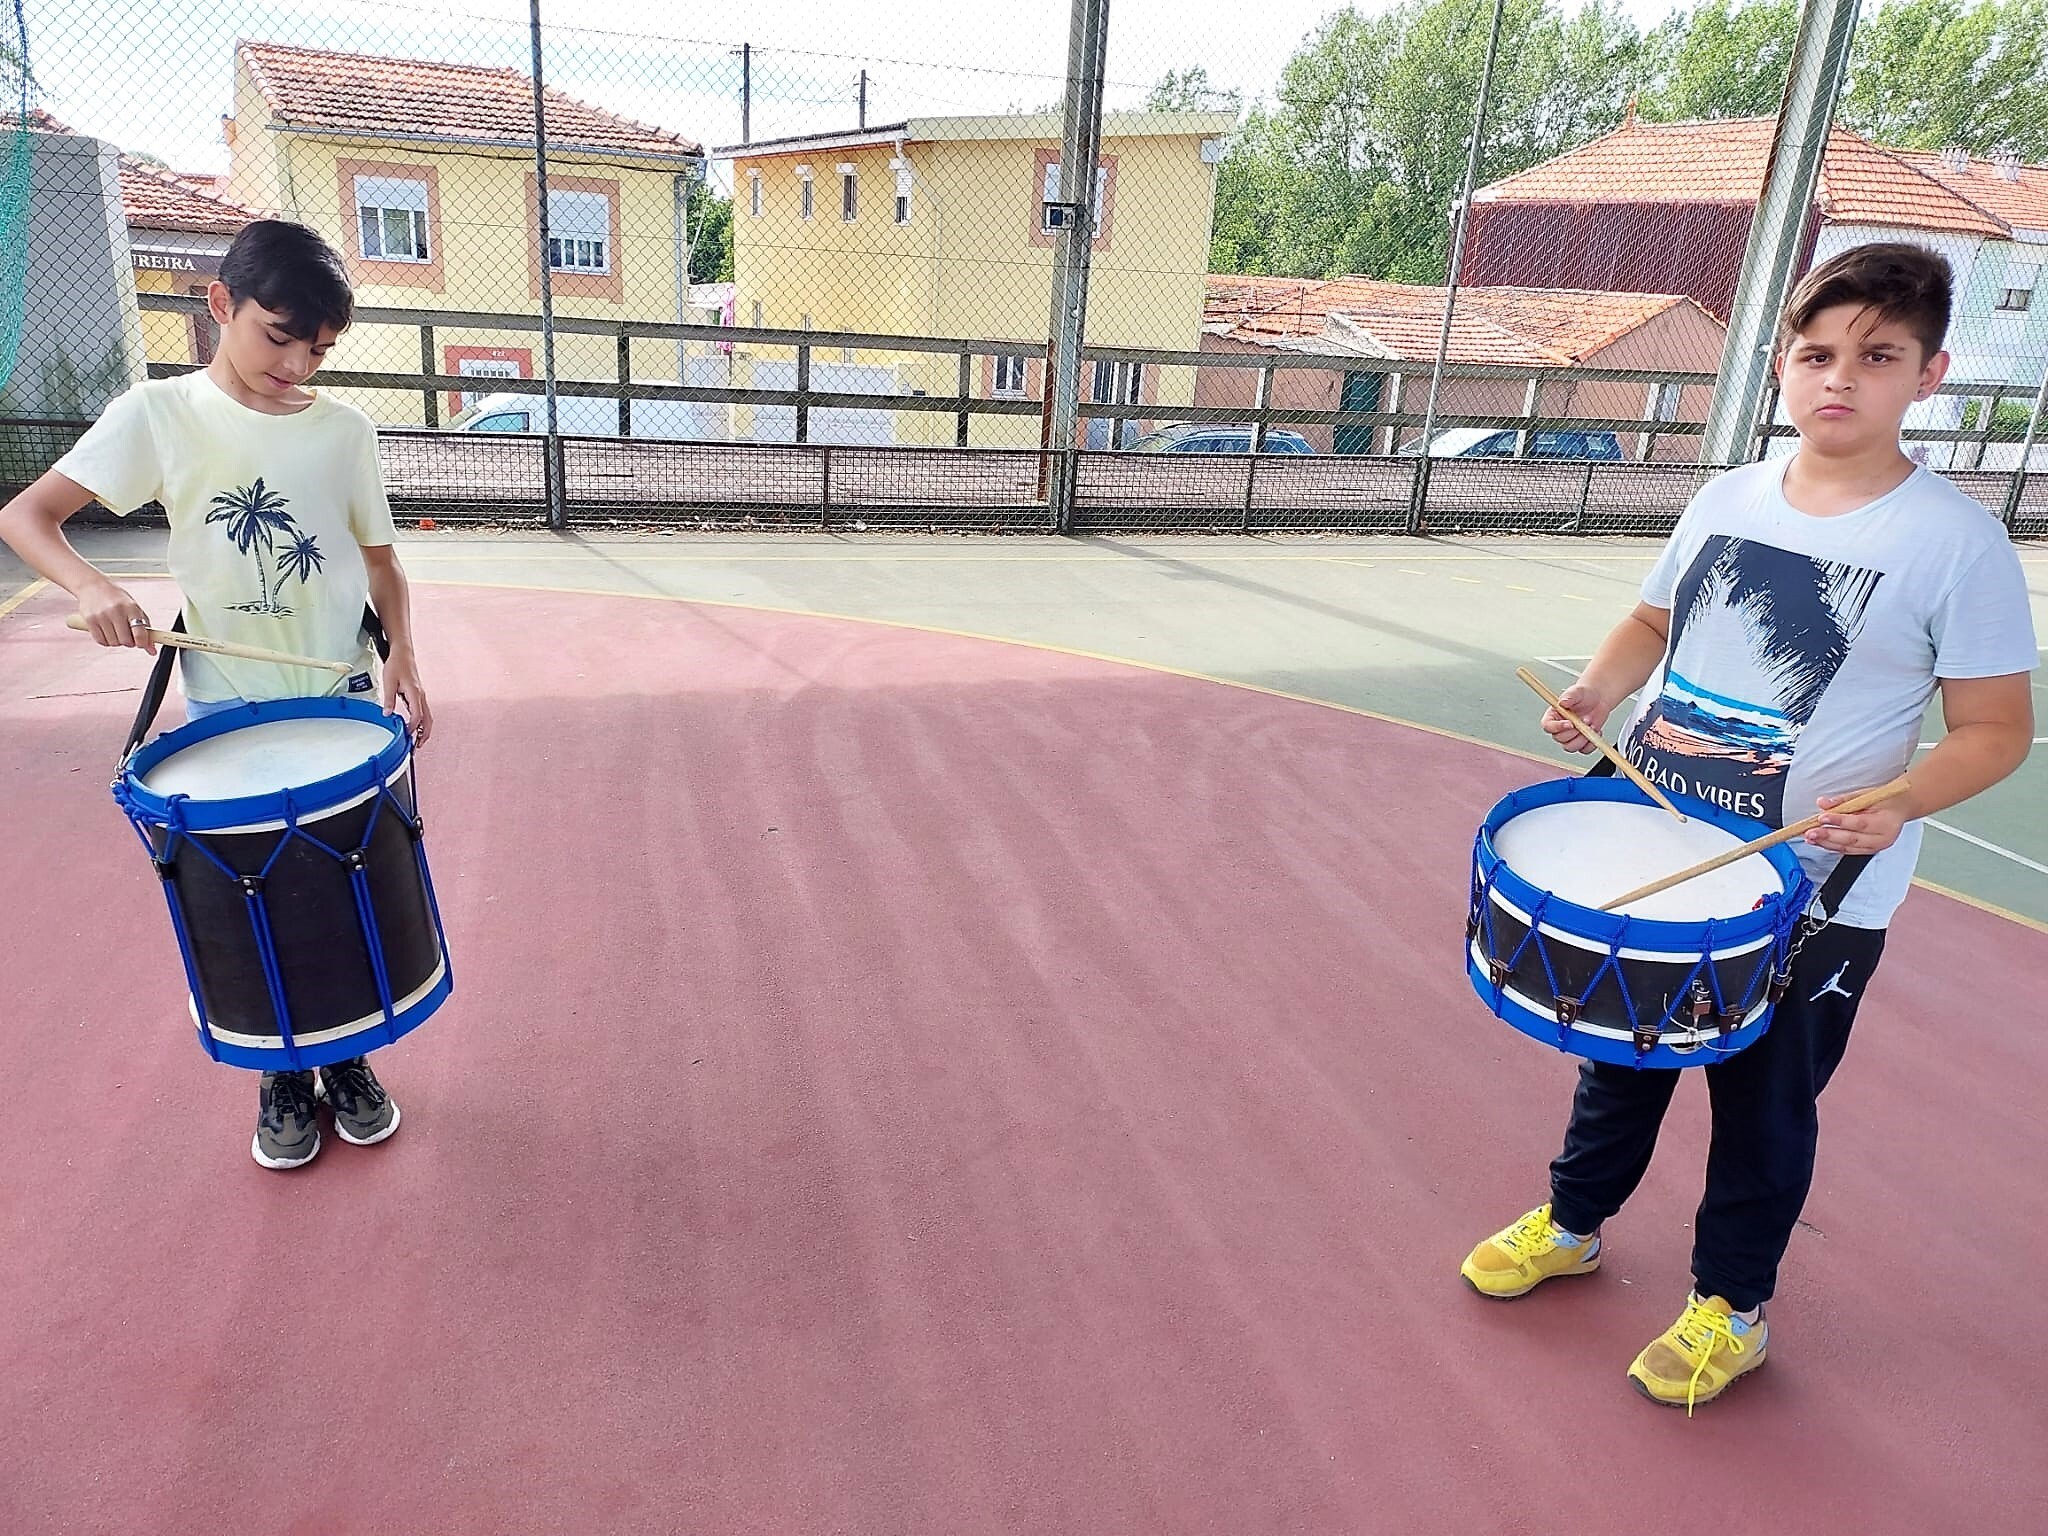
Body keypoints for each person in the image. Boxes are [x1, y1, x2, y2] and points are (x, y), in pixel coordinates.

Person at [1458, 242, 2037, 1410]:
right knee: (1619, 1059)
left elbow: (1992, 730)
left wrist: (1898, 803)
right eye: (1815, 354)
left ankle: (1729, 1308)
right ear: (1779, 362)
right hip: (1663, 842)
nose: (1839, 379)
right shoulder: (1725, 496)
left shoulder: (1954, 542)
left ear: (1926, 375)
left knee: (1762, 1105)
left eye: (1876, 357)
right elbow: (1649, 620)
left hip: (1813, 888)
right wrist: (1597, 691)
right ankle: (1571, 1223)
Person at [0, 218, 432, 1170]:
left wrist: (403, 656)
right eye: (279, 336)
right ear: (221, 303)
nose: (296, 364)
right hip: (226, 710)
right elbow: (27, 516)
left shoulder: (344, 432)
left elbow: (381, 563)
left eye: (319, 349)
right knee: (259, 905)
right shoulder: (158, 414)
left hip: (341, 701)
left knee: (342, 890)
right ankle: (282, 1071)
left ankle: (345, 1055)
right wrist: (91, 586)